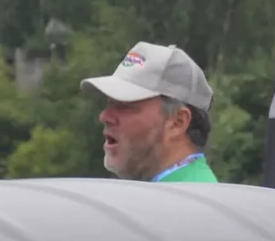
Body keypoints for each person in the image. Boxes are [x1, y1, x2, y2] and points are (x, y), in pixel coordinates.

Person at [84, 43, 218, 183]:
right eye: (109, 103)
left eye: (125, 105)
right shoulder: (177, 193)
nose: (104, 116)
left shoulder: (183, 200)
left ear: (178, 122)